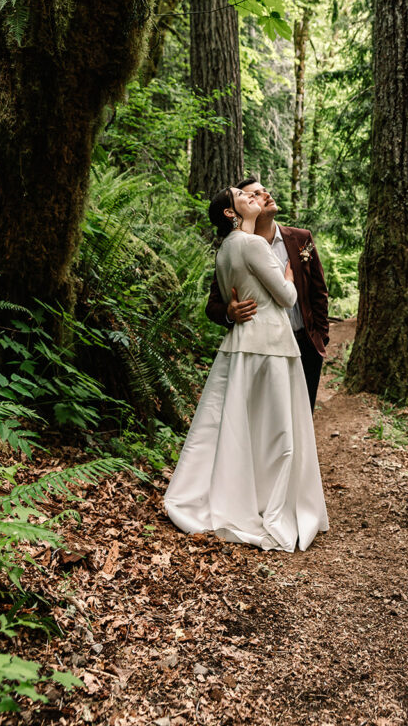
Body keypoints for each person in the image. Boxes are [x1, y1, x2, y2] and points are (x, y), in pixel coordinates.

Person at [164, 186, 328, 553]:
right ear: (230, 212)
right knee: (277, 431)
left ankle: (236, 494)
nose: (256, 194)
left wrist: (322, 338)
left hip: (250, 347)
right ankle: (270, 504)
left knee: (237, 427)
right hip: (270, 346)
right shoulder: (251, 244)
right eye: (243, 193)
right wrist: (285, 279)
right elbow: (286, 298)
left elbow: (317, 291)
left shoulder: (226, 248)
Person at [206, 178, 329, 412]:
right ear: (241, 208)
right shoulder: (239, 247)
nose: (265, 195)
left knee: (302, 418)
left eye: (264, 191)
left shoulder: (302, 239)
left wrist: (320, 337)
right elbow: (213, 304)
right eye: (255, 195)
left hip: (305, 345)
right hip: (264, 348)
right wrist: (230, 313)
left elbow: (318, 291)